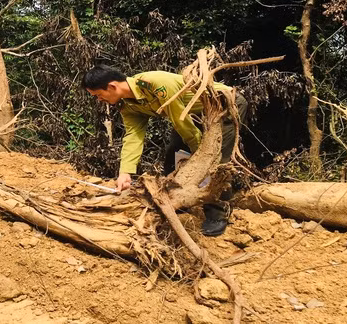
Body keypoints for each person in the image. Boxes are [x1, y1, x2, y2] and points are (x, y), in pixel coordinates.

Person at [82, 65, 247, 236]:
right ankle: (178, 202)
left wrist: (202, 154)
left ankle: (218, 213)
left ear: (112, 86)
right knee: (174, 154)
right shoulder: (127, 105)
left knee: (215, 160)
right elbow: (133, 136)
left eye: (98, 96)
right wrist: (125, 172)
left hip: (224, 104)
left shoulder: (154, 83)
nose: (99, 100)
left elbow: (180, 121)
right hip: (191, 113)